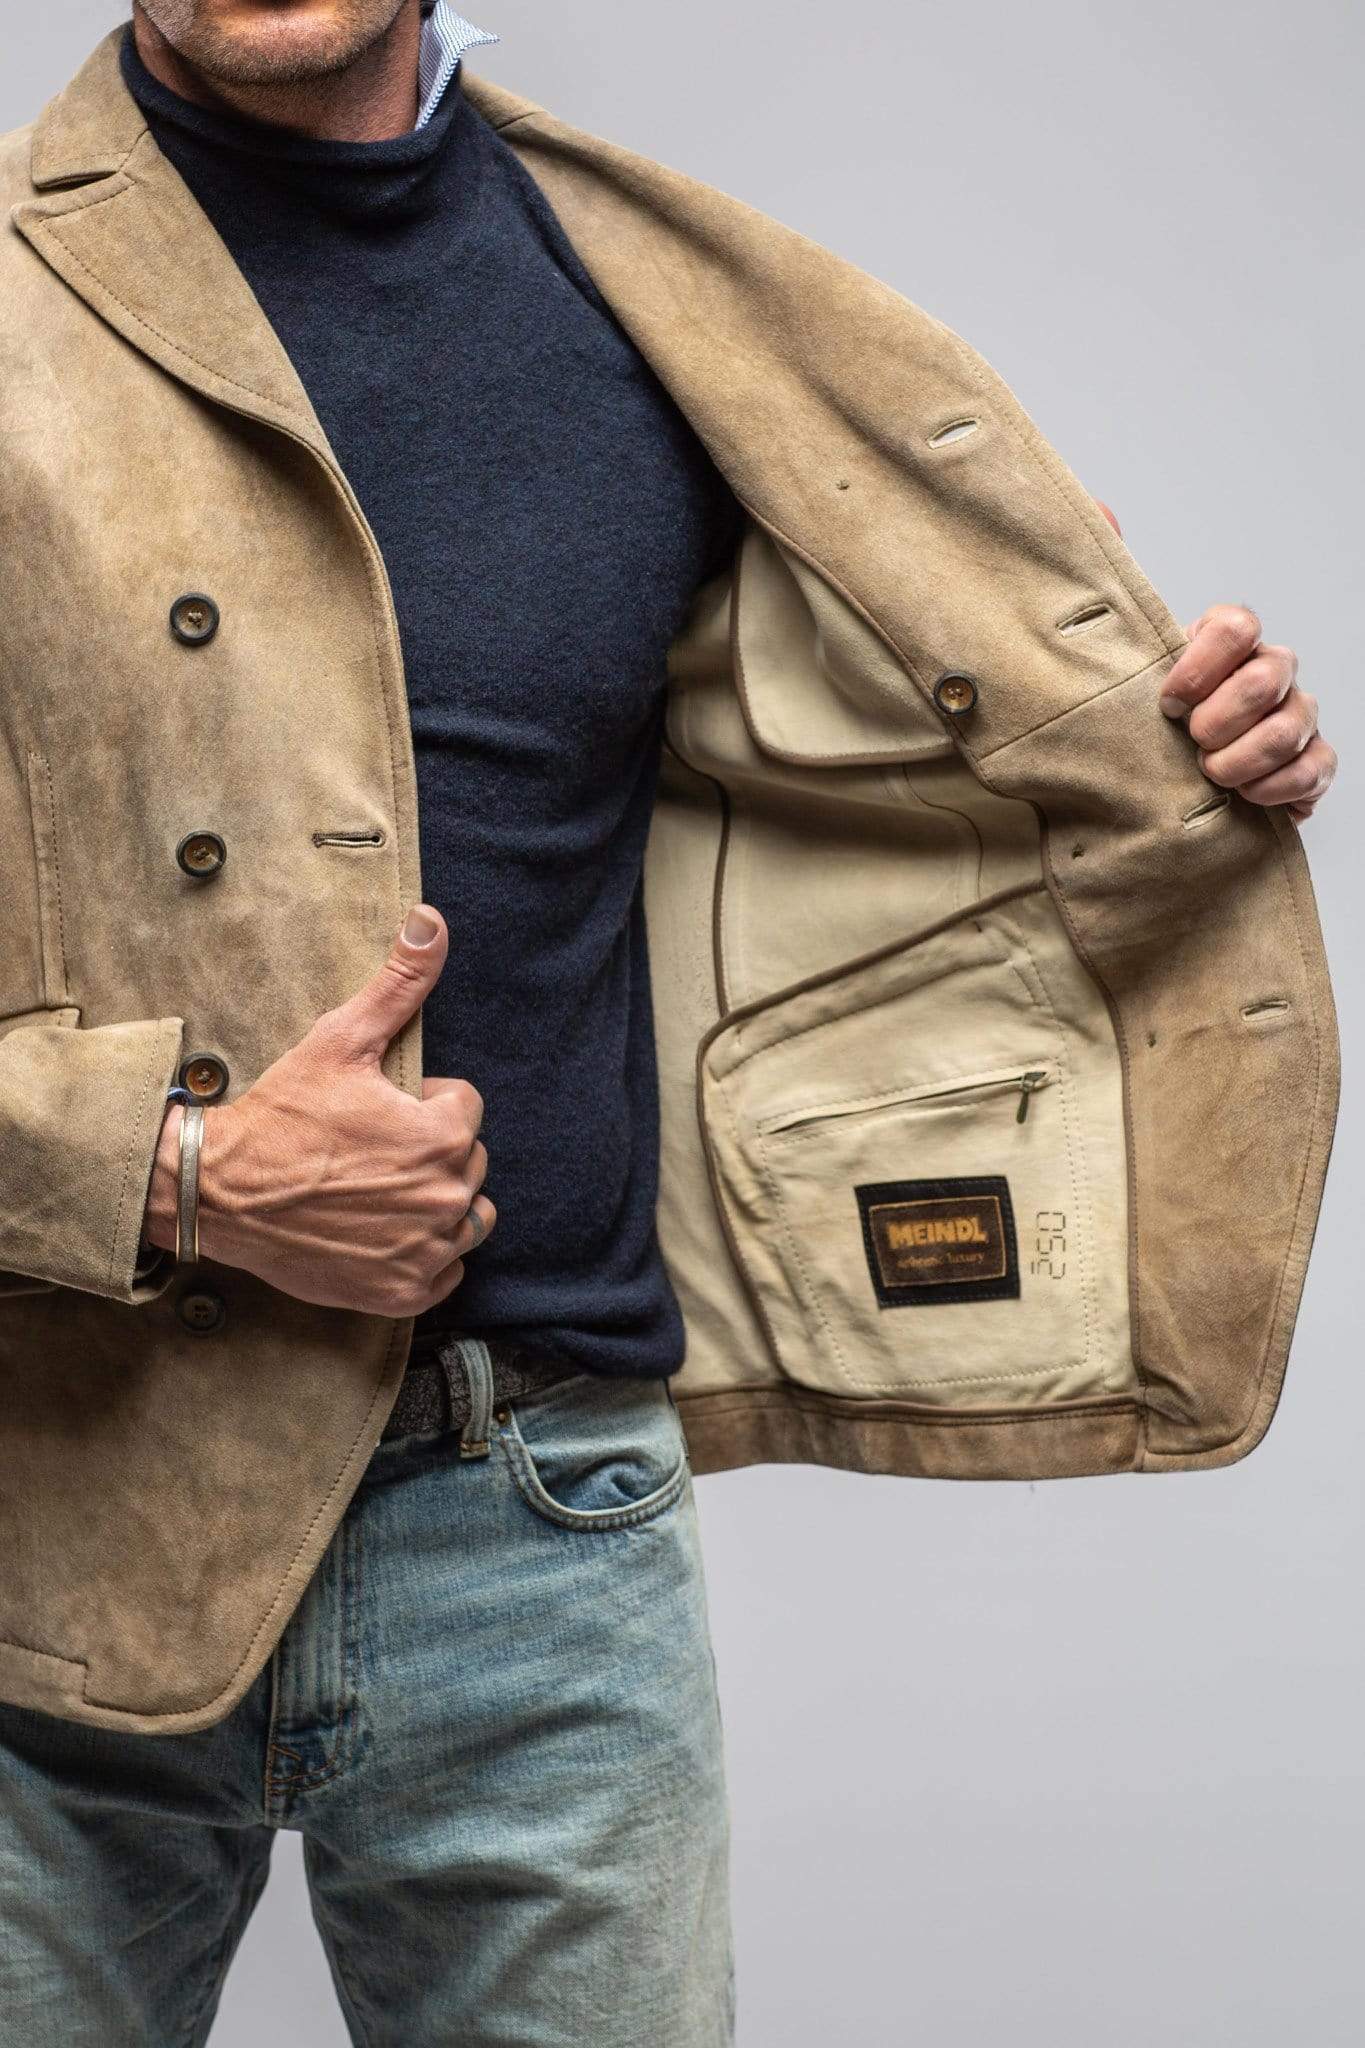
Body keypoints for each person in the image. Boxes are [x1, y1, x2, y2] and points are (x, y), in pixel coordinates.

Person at [0, 5, 1338, 2043]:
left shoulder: (658, 296)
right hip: (39, 1513)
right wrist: (175, 1170)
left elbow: (887, 786)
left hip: (545, 1524)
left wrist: (1183, 764)